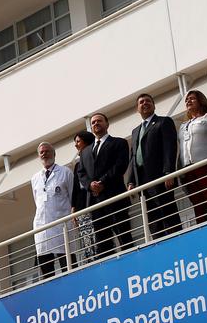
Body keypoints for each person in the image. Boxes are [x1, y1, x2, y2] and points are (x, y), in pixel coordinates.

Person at [126, 93, 181, 239]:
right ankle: (158, 244)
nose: (145, 103)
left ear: (153, 105)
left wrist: (169, 172)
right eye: (141, 102)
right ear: (137, 109)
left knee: (167, 212)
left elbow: (170, 149)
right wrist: (131, 180)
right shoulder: (135, 131)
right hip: (142, 181)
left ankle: (177, 240)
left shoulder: (164, 122)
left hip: (160, 177)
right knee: (152, 216)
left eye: (148, 101)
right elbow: (133, 156)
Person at [79, 112, 133, 258]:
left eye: (99, 121)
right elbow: (81, 173)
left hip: (114, 197)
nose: (96, 123)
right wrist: (91, 185)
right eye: (93, 122)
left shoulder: (119, 143)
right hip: (96, 203)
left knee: (124, 236)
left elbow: (120, 165)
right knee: (102, 242)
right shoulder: (84, 152)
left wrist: (102, 182)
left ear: (107, 124)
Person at [178, 89, 207, 224]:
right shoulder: (183, 125)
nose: (188, 101)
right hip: (189, 169)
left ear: (201, 100)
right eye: (187, 100)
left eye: (192, 98)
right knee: (199, 205)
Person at [30, 142, 74, 278]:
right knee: (45, 266)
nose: (44, 153)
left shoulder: (65, 172)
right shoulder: (35, 178)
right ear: (39, 156)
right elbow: (37, 200)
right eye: (41, 152)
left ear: (54, 154)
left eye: (47, 151)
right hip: (41, 225)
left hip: (62, 223)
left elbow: (73, 196)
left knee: (67, 262)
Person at [71, 130, 96, 263]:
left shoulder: (94, 156)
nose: (76, 145)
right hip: (82, 205)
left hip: (94, 200)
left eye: (78, 142)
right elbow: (75, 187)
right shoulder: (77, 164)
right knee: (86, 237)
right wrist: (73, 207)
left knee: (98, 234)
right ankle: (90, 259)